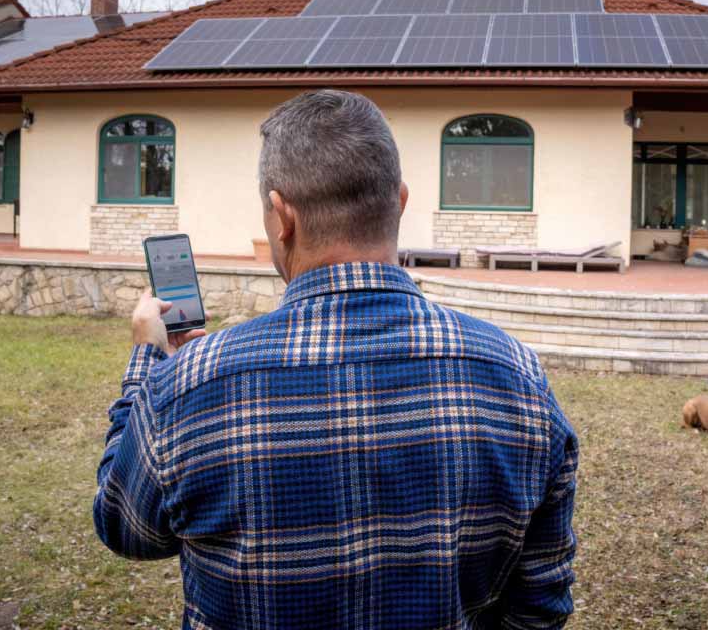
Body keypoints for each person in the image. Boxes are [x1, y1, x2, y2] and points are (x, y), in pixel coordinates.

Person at [93, 89, 578, 629]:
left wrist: (149, 364)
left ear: (281, 218)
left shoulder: (187, 386)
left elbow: (124, 525)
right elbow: (539, 605)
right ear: (399, 201)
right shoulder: (517, 375)